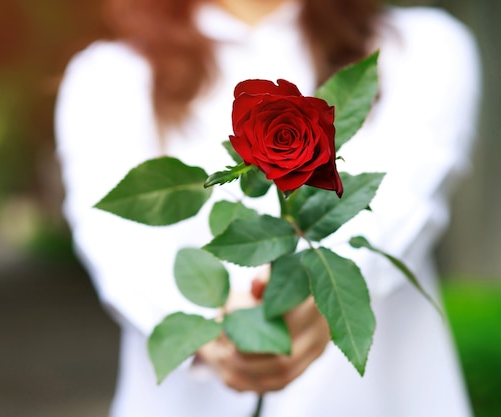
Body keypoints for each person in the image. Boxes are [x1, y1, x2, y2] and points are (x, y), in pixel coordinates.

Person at [54, 0, 481, 416]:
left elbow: (404, 199)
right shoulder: (110, 76)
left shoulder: (422, 48)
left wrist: (318, 294)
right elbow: (115, 239)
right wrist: (219, 325)